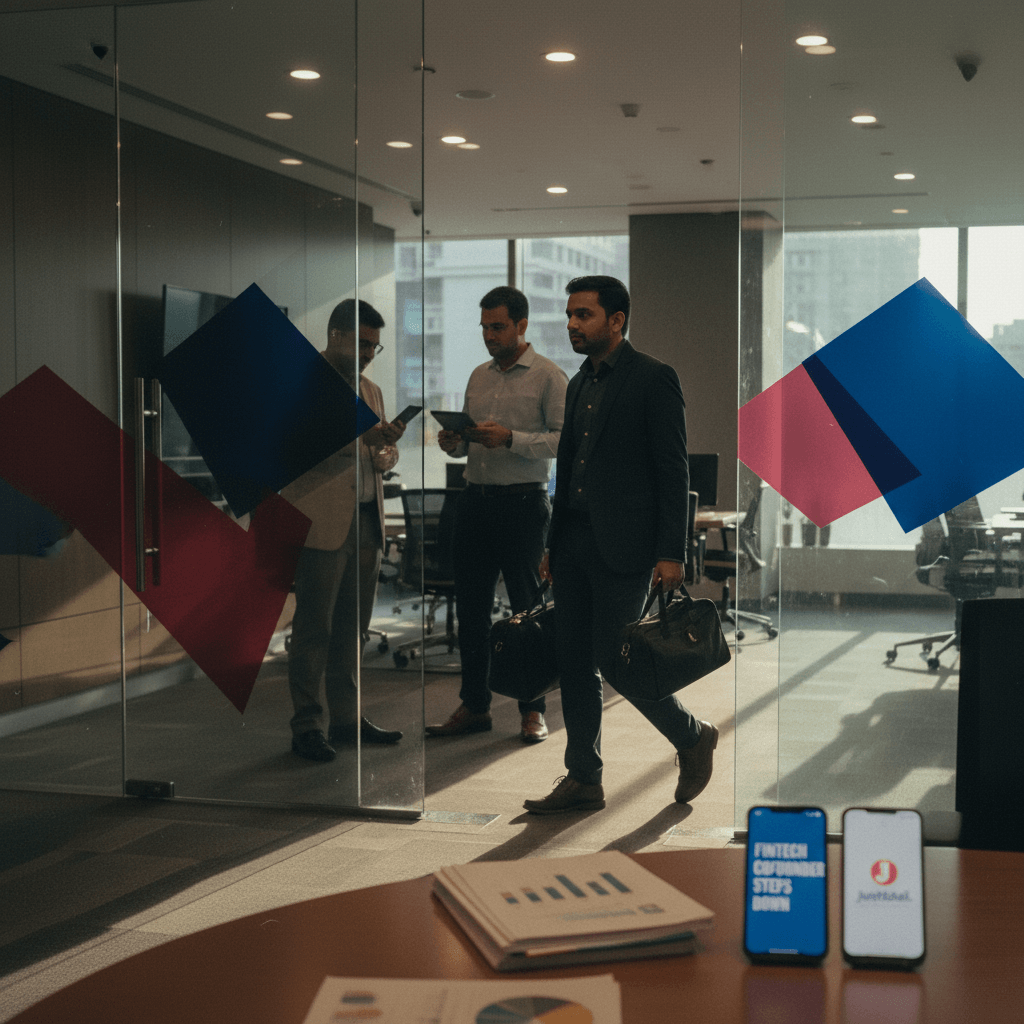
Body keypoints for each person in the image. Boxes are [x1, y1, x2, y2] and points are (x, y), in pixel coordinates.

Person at [523, 276, 717, 813]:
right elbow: (568, 470)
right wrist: (550, 543)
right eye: (569, 315)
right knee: (573, 661)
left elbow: (671, 472)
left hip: (625, 547)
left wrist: (671, 552)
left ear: (617, 319)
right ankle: (583, 777)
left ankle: (692, 736)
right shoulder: (580, 381)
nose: (571, 325)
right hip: (573, 543)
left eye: (583, 315)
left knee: (617, 660)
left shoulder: (653, 378)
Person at [426, 286, 568, 743]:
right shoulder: (477, 376)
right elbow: (467, 438)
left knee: (528, 610)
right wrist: (456, 442)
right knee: (470, 610)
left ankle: (533, 708)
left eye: (498, 327)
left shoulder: (549, 377)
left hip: (523, 505)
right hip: (474, 503)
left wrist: (511, 438)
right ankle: (475, 705)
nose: (489, 335)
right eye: (485, 326)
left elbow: (564, 441)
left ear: (522, 326)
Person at [282, 298, 407, 762]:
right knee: (314, 628)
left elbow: (378, 458)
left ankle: (347, 719)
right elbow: (290, 451)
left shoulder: (371, 390)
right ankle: (307, 726)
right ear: (336, 335)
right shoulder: (299, 382)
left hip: (366, 521)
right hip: (321, 523)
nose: (370, 354)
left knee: (353, 629)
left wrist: (385, 452)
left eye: (376, 346)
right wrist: (356, 439)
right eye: (362, 344)